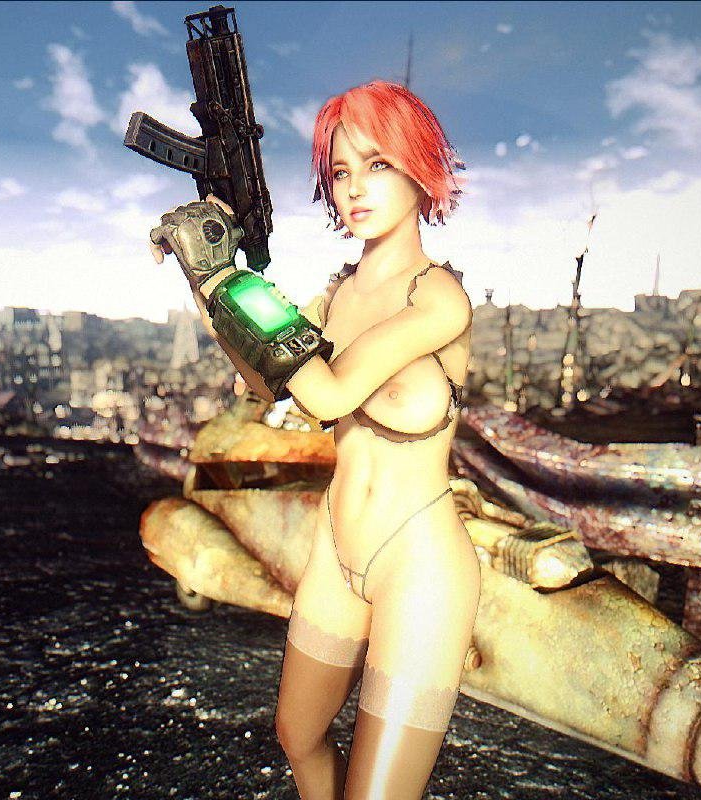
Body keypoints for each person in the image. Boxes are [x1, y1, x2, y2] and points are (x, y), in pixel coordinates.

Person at [149, 79, 477, 799]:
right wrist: (208, 283)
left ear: (420, 168)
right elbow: (261, 383)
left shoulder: (438, 297)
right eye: (341, 170)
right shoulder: (334, 297)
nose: (355, 187)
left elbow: (327, 393)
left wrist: (229, 281)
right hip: (338, 548)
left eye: (378, 164)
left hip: (418, 563)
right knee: (297, 736)